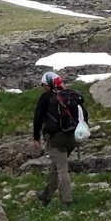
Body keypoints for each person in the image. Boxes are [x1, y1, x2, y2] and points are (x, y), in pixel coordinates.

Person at [31, 71, 82, 206]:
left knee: (62, 169)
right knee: (56, 166)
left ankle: (67, 200)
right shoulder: (71, 95)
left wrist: (36, 137)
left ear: (48, 85)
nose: (43, 88)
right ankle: (46, 195)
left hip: (56, 139)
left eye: (43, 85)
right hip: (74, 137)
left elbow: (38, 118)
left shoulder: (46, 97)